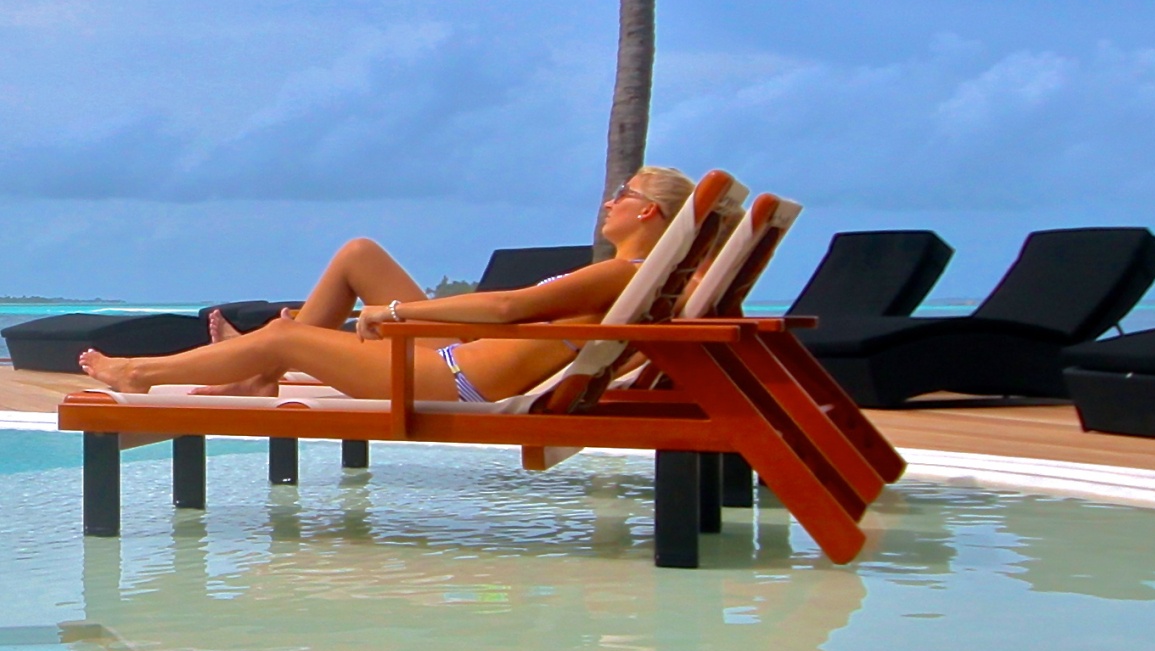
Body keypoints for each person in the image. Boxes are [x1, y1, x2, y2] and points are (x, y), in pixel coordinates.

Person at [78, 168, 698, 406]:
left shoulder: (622, 273)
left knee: (286, 336)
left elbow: (511, 306)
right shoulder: (632, 275)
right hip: (455, 356)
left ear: (648, 214)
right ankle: (258, 370)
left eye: (625, 195)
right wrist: (399, 316)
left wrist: (396, 310)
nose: (611, 200)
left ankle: (142, 373)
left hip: (455, 380)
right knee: (359, 254)